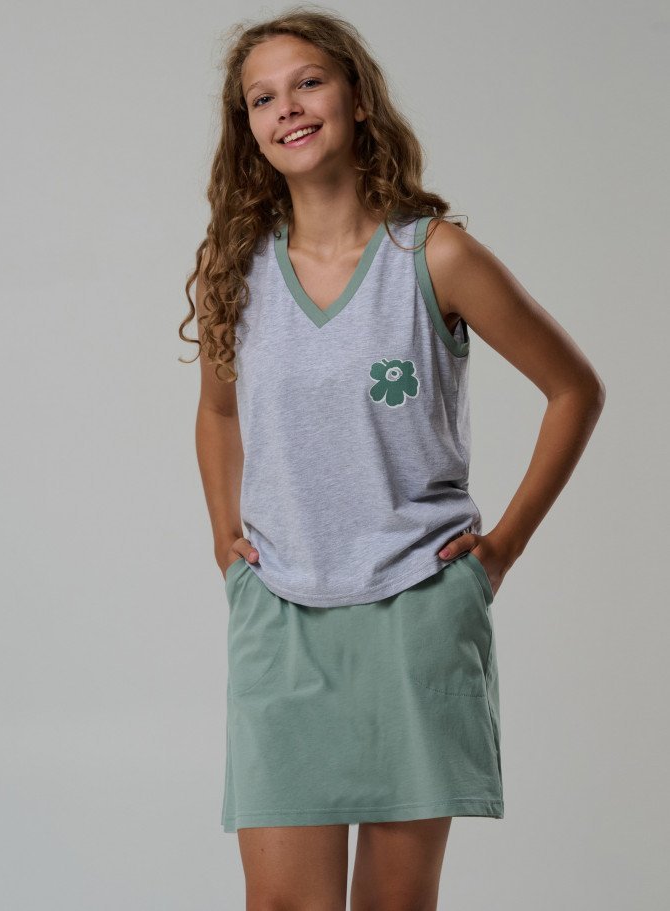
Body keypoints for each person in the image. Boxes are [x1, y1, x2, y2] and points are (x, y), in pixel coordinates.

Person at [180, 7, 606, 908]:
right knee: (281, 901)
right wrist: (226, 540)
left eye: (308, 82)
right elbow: (217, 413)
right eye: (262, 98)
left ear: (358, 98)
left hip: (415, 609)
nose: (287, 108)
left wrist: (499, 551)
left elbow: (574, 390)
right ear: (247, 128)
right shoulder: (236, 267)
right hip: (280, 614)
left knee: (394, 904)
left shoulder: (434, 255)